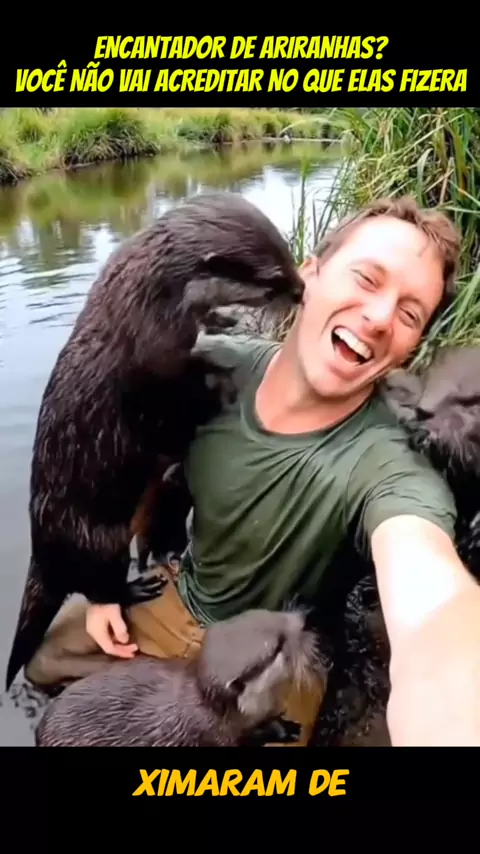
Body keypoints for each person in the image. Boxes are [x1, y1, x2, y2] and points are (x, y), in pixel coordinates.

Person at [25, 194, 480, 747]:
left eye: (409, 314)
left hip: (276, 655)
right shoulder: (208, 367)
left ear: (411, 348)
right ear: (308, 273)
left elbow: (432, 597)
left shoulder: (391, 461)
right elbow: (121, 462)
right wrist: (105, 588)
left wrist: (453, 705)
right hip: (184, 601)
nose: (380, 317)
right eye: (366, 278)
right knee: (43, 663)